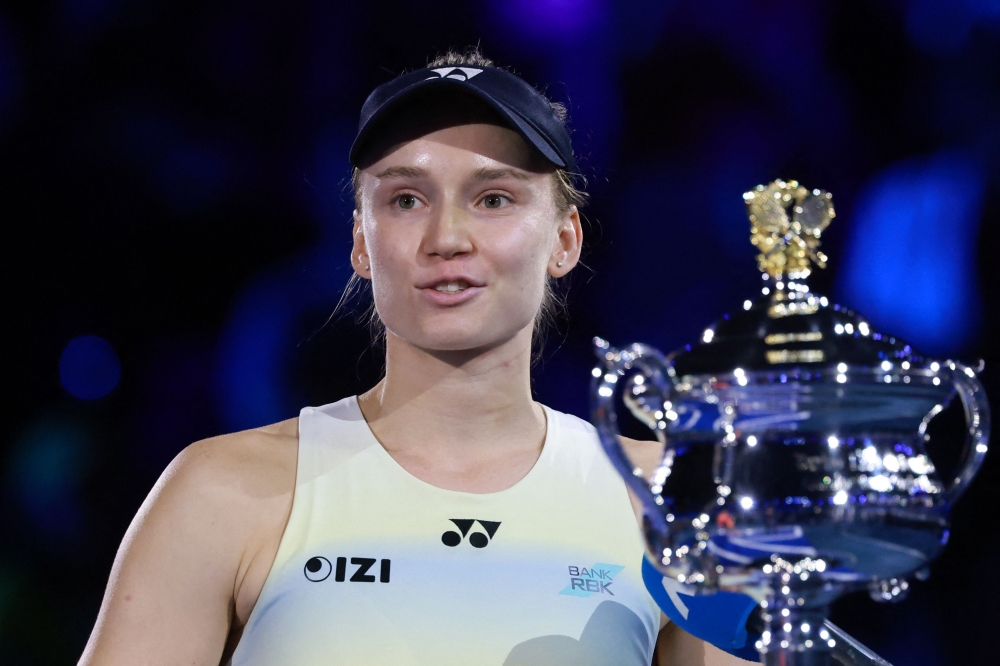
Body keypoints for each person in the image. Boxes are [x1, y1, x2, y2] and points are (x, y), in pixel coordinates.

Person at [79, 49, 753, 665]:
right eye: (406, 199)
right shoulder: (219, 492)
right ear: (361, 243)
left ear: (564, 240)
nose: (447, 236)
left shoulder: (665, 501)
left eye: (493, 198)